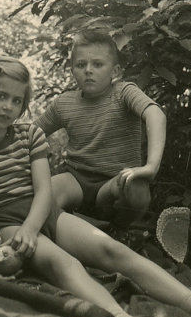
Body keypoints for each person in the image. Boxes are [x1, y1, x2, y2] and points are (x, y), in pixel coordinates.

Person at [0, 56, 191, 317]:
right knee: (64, 263)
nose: (9, 106)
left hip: (42, 211)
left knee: (111, 249)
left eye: (17, 101)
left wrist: (32, 228)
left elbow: (44, 190)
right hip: (5, 221)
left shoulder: (28, 135)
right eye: (0, 96)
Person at [35, 30, 165, 229]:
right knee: (41, 196)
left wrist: (151, 166)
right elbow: (31, 133)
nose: (88, 70)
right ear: (72, 70)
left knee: (136, 188)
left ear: (114, 71)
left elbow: (155, 114)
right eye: (80, 65)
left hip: (113, 183)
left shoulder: (123, 92)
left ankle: (117, 231)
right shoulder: (65, 103)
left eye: (97, 64)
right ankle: (75, 227)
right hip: (75, 180)